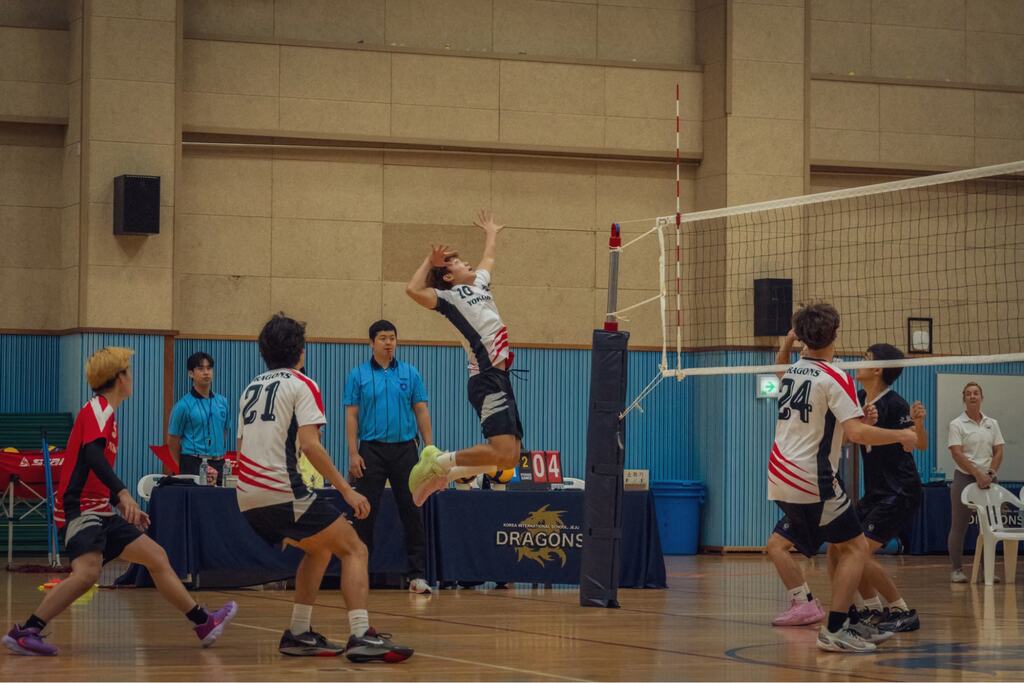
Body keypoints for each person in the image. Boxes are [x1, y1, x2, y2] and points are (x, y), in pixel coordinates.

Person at [3, 347, 236, 657]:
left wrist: (123, 503)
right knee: (86, 574)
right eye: (128, 371)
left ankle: (203, 622)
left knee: (156, 556)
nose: (132, 377)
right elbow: (93, 456)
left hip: (100, 508)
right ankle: (26, 631)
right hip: (81, 508)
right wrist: (123, 494)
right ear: (119, 378)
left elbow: (95, 467)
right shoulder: (99, 410)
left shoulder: (106, 413)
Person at [235, 313, 413, 661]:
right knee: (355, 548)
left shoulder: (250, 388)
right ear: (300, 350)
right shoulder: (301, 384)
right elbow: (311, 446)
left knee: (318, 549)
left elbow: (242, 448)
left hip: (246, 496)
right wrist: (347, 490)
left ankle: (299, 633)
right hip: (281, 491)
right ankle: (362, 635)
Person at [767, 304, 917, 653]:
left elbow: (781, 368)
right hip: (810, 477)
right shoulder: (836, 377)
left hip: (779, 474)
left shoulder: (793, 371)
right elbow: (858, 435)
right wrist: (901, 436)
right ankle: (835, 628)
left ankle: (849, 620)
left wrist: (789, 343)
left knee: (839, 545)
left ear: (802, 336)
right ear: (836, 333)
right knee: (857, 548)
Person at [404, 209, 523, 506]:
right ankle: (438, 462)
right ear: (447, 275)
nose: (466, 262)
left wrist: (492, 233)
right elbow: (412, 289)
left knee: (510, 456)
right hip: (485, 378)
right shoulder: (449, 298)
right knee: (503, 449)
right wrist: (428, 262)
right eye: (457, 262)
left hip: (500, 377)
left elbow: (489, 259)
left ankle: (446, 474)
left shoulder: (479, 284)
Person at [841, 343, 926, 632]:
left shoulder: (895, 404)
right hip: (876, 492)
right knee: (840, 547)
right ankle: (871, 608)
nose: (858, 363)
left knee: (859, 551)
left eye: (864, 358)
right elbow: (847, 438)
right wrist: (862, 424)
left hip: (900, 490)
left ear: (877, 369)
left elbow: (914, 442)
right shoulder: (860, 399)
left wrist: (912, 427)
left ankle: (901, 610)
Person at [344, 320, 433, 594]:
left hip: (406, 450)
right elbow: (351, 415)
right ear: (371, 343)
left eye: (392, 337)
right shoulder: (358, 375)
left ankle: (417, 576)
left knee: (412, 510)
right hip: (371, 450)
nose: (388, 342)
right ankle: (358, 574)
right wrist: (353, 453)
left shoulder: (410, 373)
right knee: (364, 513)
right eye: (382, 338)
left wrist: (429, 450)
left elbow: (421, 411)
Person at [947, 381, 1005, 583]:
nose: (972, 396)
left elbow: (998, 450)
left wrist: (990, 472)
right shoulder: (957, 424)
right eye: (969, 394)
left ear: (982, 397)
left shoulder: (992, 423)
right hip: (965, 477)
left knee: (990, 527)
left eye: (976, 393)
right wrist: (977, 474)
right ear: (964, 398)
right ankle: (956, 570)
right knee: (959, 526)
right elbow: (956, 452)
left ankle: (987, 570)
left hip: (989, 478)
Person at [168, 352, 232, 485]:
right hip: (193, 463)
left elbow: (224, 431)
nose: (206, 372)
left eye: (209, 368)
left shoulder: (222, 402)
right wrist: (185, 464)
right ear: (191, 373)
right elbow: (173, 440)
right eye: (201, 368)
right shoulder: (183, 405)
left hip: (219, 463)